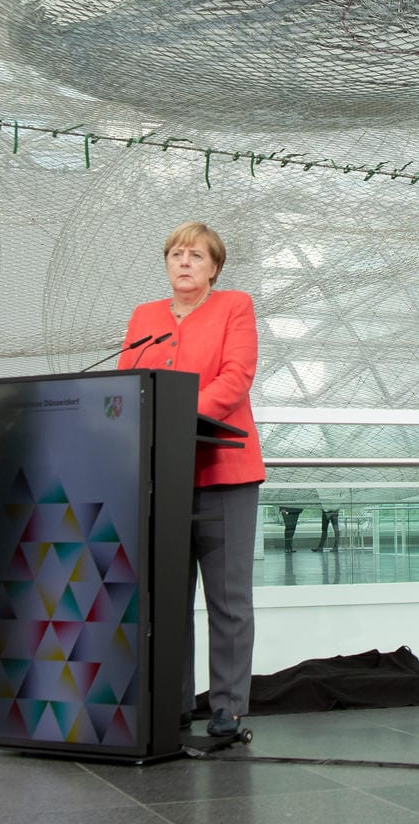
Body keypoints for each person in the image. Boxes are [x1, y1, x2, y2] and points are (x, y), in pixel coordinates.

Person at [120, 221, 262, 738]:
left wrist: (173, 414)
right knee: (167, 597)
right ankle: (172, 704)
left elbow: (235, 377)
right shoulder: (145, 317)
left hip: (225, 472)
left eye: (197, 256)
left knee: (228, 599)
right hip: (162, 475)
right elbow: (129, 380)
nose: (185, 262)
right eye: (177, 254)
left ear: (214, 268)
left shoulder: (235, 307)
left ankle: (227, 708)